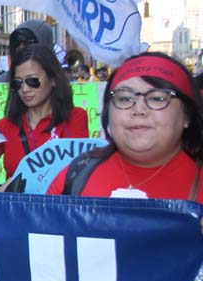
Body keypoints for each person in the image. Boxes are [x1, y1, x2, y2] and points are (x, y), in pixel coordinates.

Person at [47, 52, 203, 200]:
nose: (138, 110)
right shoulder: (75, 177)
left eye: (157, 98)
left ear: (187, 116)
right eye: (125, 99)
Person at [0, 44, 89, 184]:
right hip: (16, 209)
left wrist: (10, 185)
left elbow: (77, 174)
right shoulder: (6, 126)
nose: (24, 89)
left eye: (32, 81)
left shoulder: (76, 118)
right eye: (17, 83)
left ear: (53, 79)